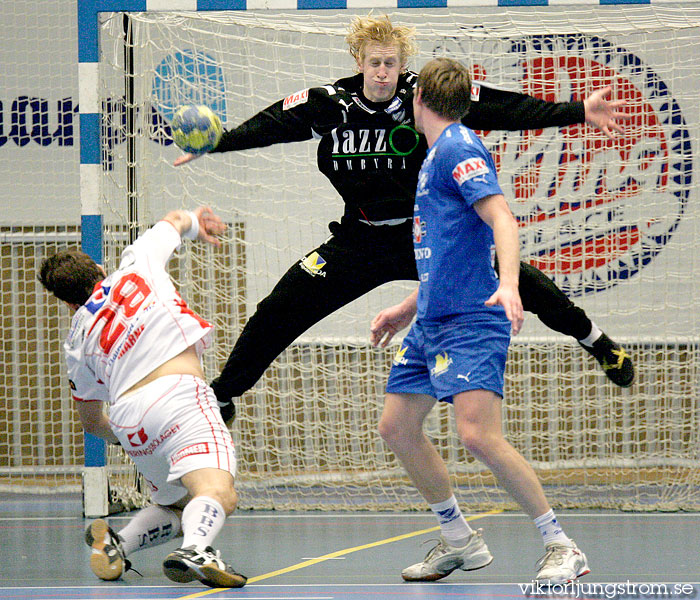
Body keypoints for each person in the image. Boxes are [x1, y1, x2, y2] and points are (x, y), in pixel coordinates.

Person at [175, 15, 633, 424]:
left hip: (426, 236)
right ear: (358, 59)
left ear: (402, 63)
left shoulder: (423, 96)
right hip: (361, 239)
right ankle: (223, 395)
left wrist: (577, 112)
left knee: (520, 281)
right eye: (374, 62)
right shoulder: (330, 104)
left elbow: (503, 107)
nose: (382, 72)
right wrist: (217, 143)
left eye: (390, 63)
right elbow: (270, 125)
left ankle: (595, 340)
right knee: (282, 307)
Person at [370, 57, 590, 584]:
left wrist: (510, 284)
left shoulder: (458, 148)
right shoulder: (434, 156)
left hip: (471, 319)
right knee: (397, 427)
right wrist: (407, 309)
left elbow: (501, 218)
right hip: (432, 320)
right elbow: (449, 250)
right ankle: (459, 541)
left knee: (477, 436)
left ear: (417, 97)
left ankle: (561, 544)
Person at [38, 207, 247, 589]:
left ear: (68, 303)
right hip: (179, 395)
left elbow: (90, 422)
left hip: (129, 420)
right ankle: (197, 548)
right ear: (100, 270)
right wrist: (198, 224)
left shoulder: (76, 340)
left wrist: (128, 436)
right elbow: (175, 219)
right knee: (217, 492)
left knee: (174, 504)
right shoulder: (134, 265)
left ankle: (119, 543)